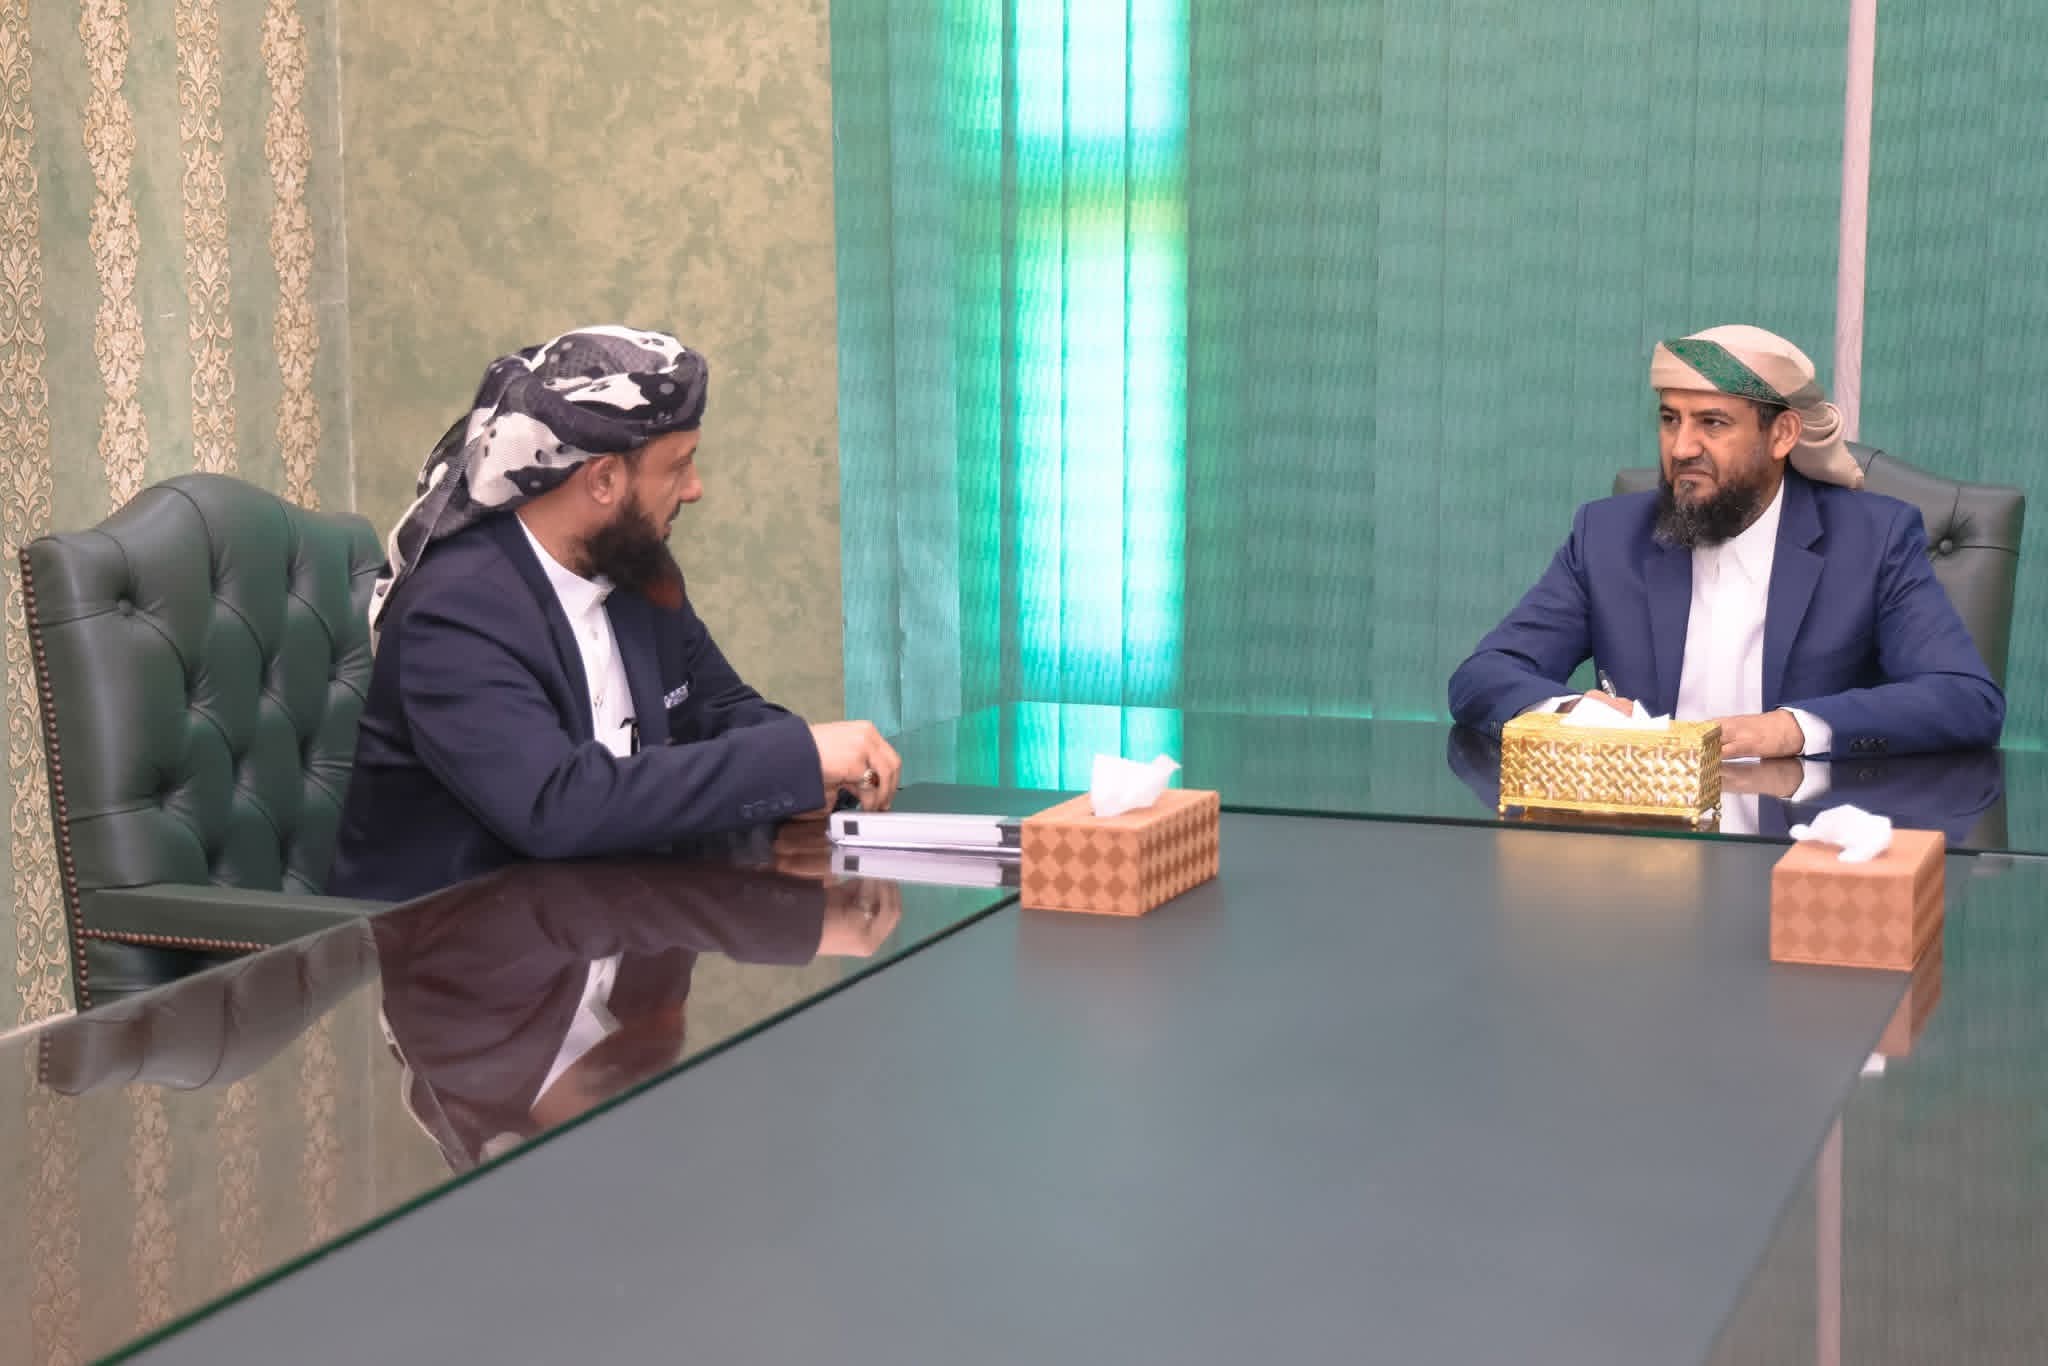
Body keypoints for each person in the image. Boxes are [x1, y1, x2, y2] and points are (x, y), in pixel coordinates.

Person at [329, 326, 901, 901]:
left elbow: (721, 711)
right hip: (455, 940)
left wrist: (815, 775)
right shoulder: (454, 611)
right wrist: (790, 762)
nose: (695, 488)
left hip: (606, 924)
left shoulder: (637, 574)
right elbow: (555, 806)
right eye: (679, 466)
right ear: (603, 479)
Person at [1448, 324, 2004, 761]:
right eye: (1670, 420)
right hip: (1647, 841)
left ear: (1782, 434)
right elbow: (1484, 676)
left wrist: (1793, 729)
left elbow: (1965, 698)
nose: (1682, 447)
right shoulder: (1609, 536)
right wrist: (1565, 710)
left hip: (1802, 839)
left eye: (1712, 423)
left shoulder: (1872, 540)